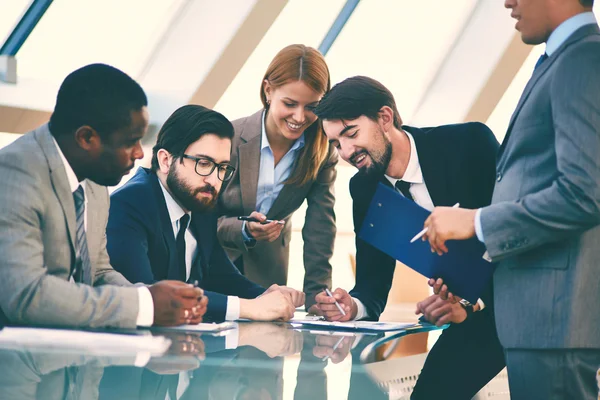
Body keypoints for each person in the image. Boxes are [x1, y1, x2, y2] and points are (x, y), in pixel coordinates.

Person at [421, 1, 600, 398]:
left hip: (555, 319)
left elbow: (586, 193)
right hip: (539, 319)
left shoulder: (582, 59)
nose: (508, 2)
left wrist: (476, 221)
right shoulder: (560, 60)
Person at [313, 76, 505, 399]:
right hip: (471, 322)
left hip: (525, 304)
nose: (345, 151)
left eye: (351, 133)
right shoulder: (364, 190)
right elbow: (372, 287)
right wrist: (353, 307)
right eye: (335, 143)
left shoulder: (469, 144)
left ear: (385, 118)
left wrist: (472, 302)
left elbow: (522, 232)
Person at [0, 63, 206, 328]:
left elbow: (98, 271)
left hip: (76, 356)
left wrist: (152, 299)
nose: (140, 154)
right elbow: (27, 296)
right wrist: (143, 307)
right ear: (87, 138)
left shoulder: (94, 175)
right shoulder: (14, 175)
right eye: (130, 141)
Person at [107, 104, 303, 322]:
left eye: (221, 168)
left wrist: (266, 296)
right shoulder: (129, 204)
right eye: (203, 163)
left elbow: (220, 274)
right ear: (165, 160)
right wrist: (248, 308)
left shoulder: (199, 200)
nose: (213, 180)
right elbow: (146, 295)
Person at [217, 44, 338, 308]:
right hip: (213, 267)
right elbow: (198, 217)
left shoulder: (323, 151)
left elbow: (320, 227)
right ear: (268, 90)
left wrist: (317, 296)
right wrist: (243, 229)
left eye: (312, 107)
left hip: (268, 276)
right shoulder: (228, 136)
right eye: (290, 103)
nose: (299, 117)